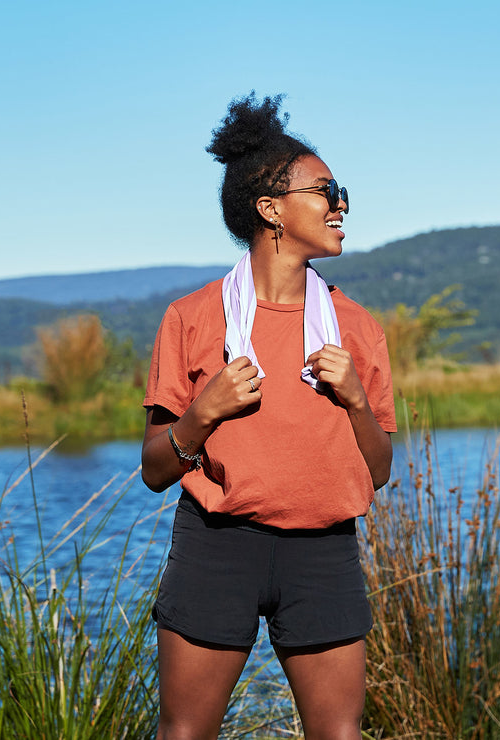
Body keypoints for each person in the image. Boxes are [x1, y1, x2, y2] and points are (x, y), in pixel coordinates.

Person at [141, 93, 397, 739]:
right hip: (216, 548)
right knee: (185, 734)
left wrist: (356, 402)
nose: (341, 204)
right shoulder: (193, 319)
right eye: (326, 190)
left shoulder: (357, 329)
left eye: (342, 192)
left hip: (324, 553)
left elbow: (381, 471)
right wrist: (204, 412)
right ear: (271, 209)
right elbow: (153, 470)